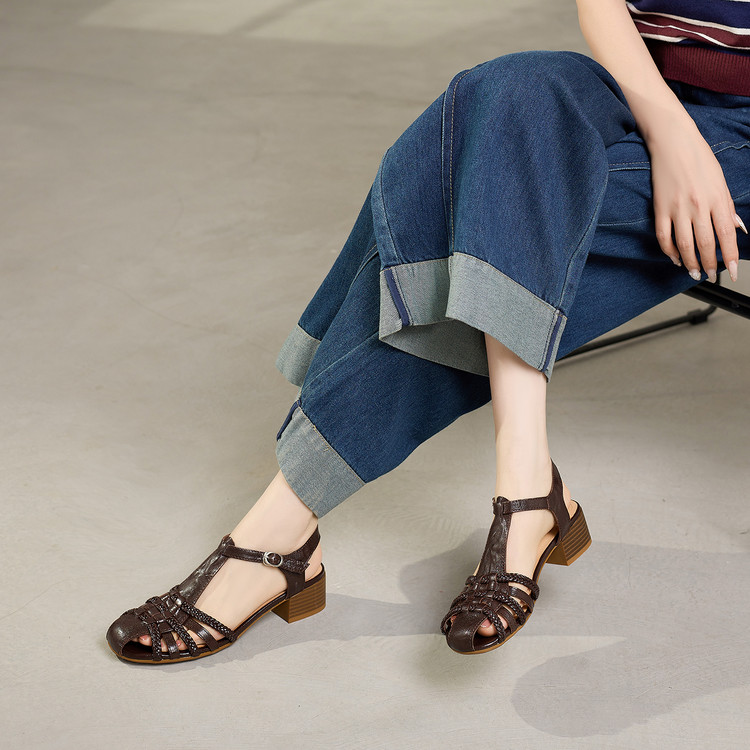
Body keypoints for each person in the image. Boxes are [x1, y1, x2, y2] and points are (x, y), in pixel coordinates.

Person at [106, 0, 750, 662]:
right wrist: (674, 138)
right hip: (650, 91)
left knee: (474, 206)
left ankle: (279, 532)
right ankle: (527, 483)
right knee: (503, 94)